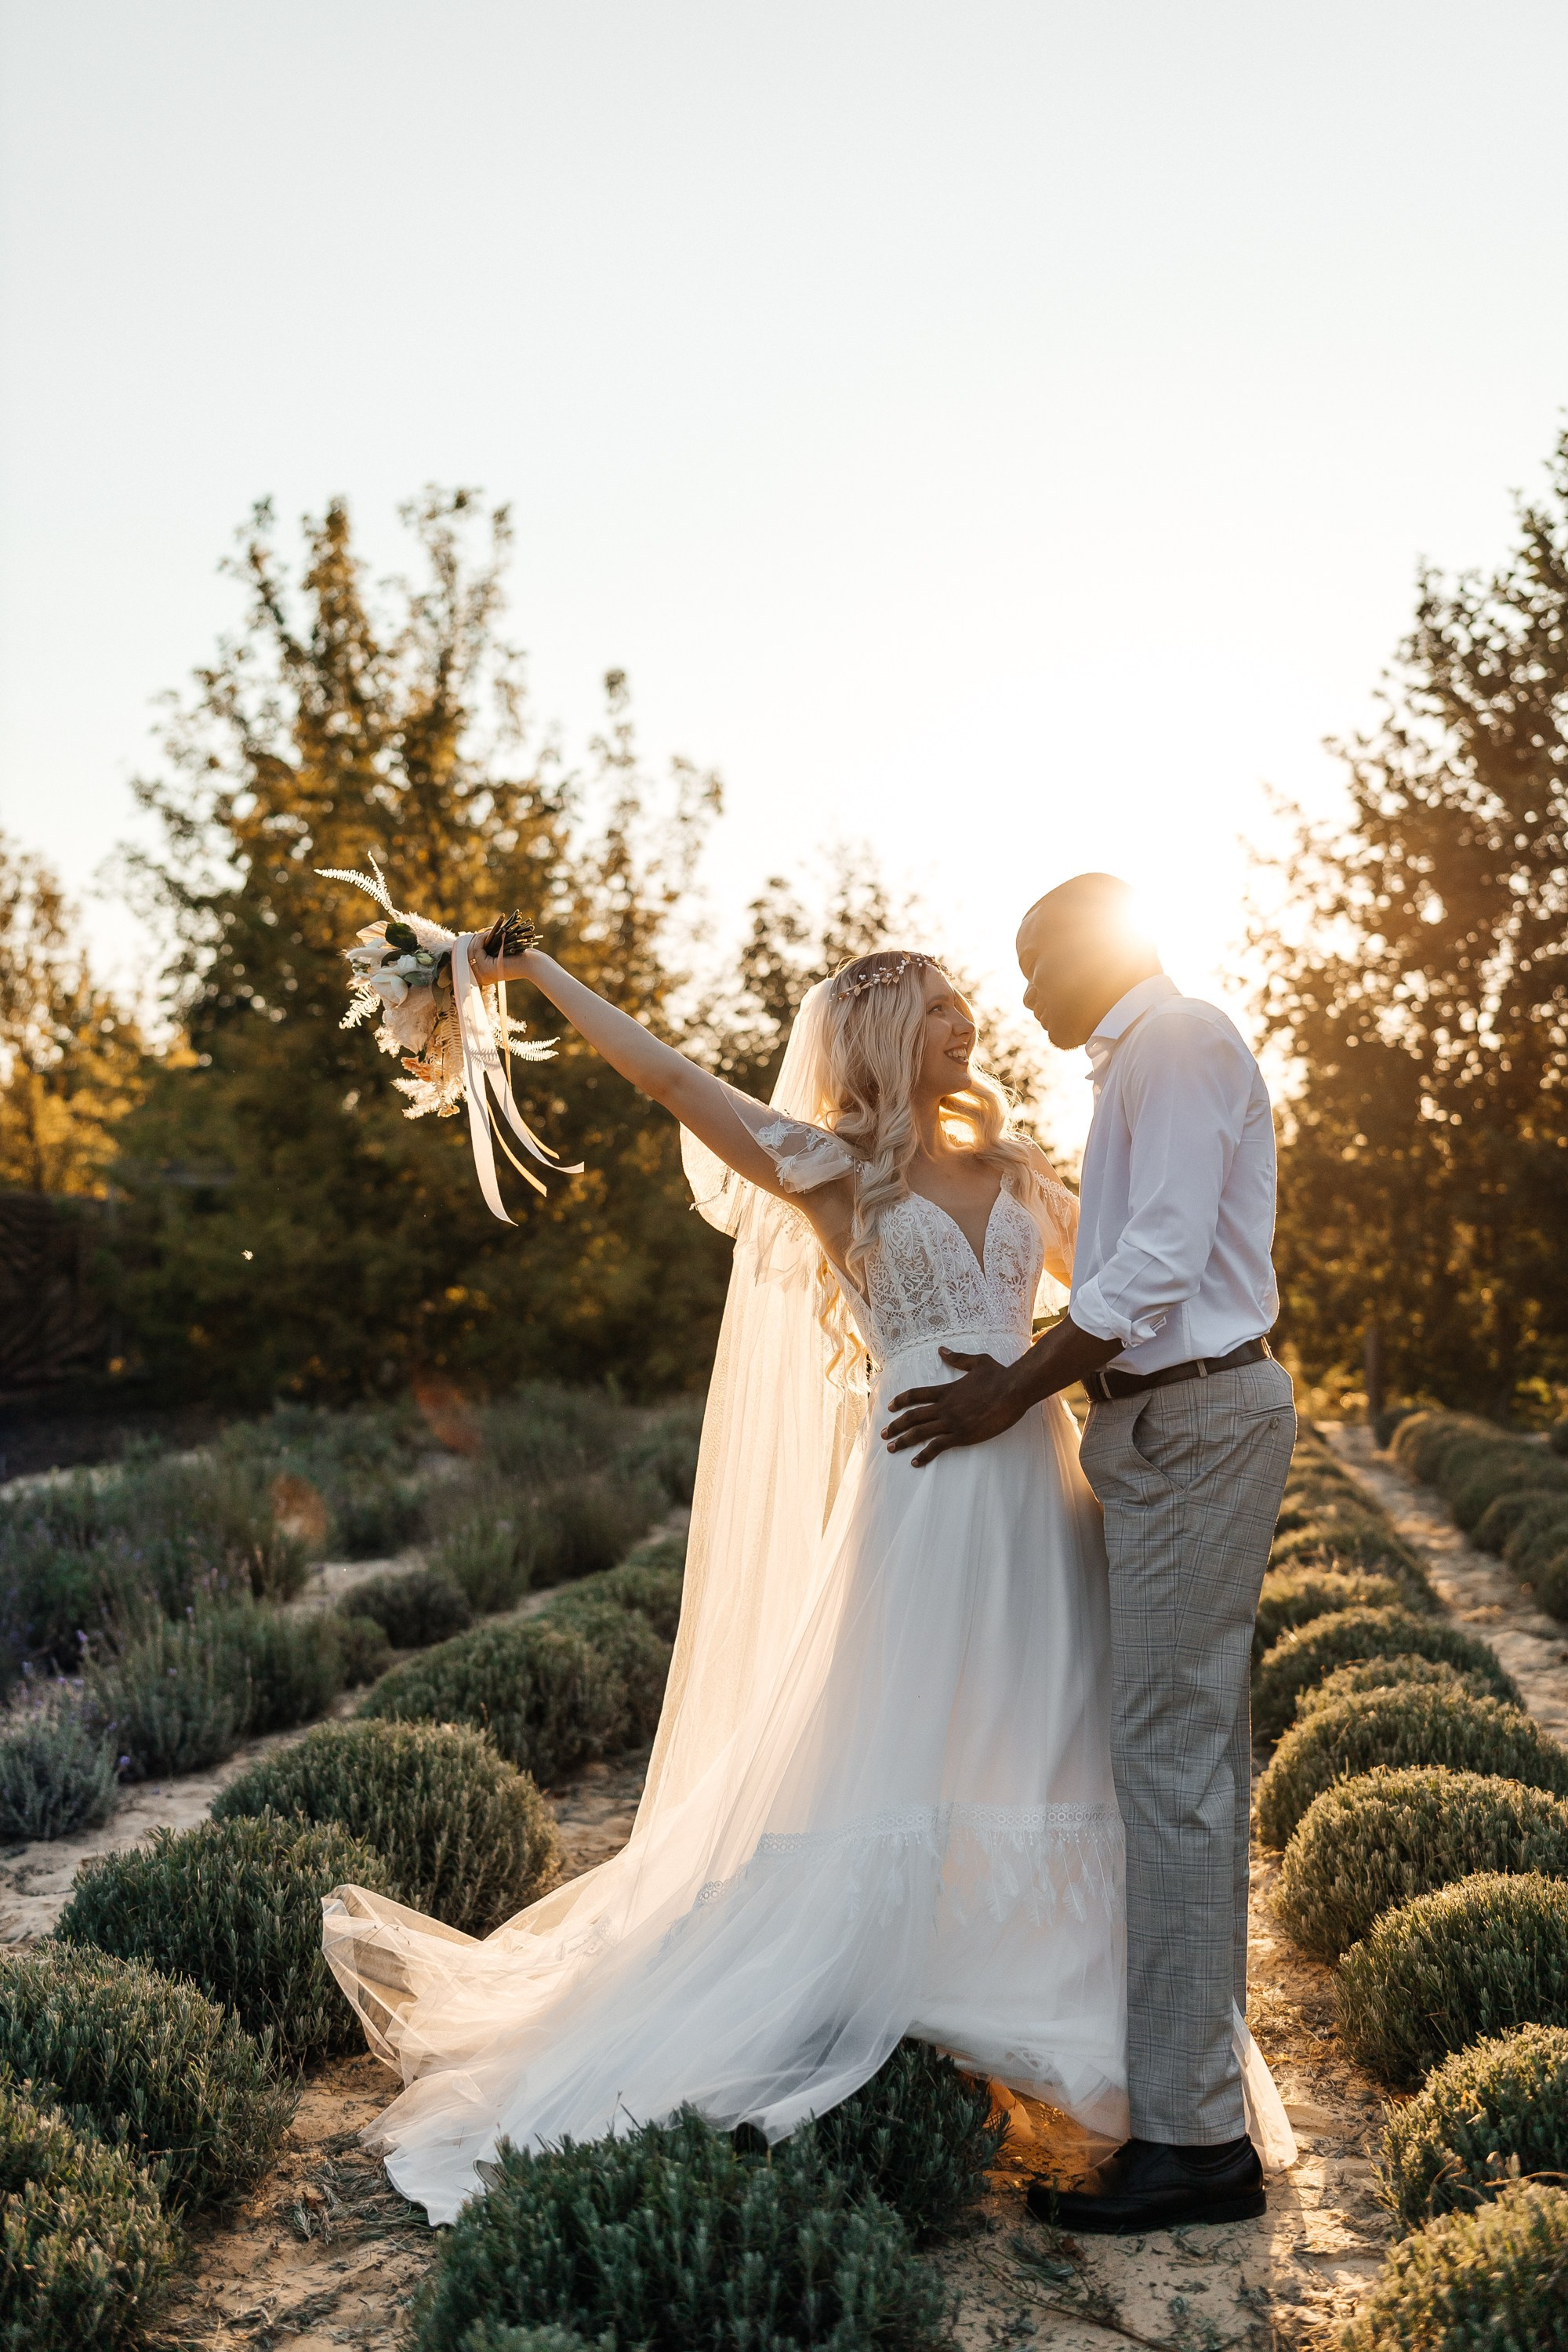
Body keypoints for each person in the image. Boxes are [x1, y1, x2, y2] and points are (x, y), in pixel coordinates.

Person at [322, 929, 1292, 2227]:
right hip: (926, 1502)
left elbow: (1131, 1278)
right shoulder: (836, 1180)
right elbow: (675, 1084)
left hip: (1038, 1495)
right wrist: (540, 978)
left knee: (1057, 1750)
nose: (972, 1027)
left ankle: (1087, 2071)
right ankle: (902, 2028)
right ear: (886, 1035)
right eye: (946, 1012)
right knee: (901, 1758)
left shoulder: (1019, 1172)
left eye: (964, 1009)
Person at [882, 873, 1297, 2234]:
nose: (1018, 993)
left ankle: (1193, 2145)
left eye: (1029, 961)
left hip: (1192, 1421)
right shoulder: (1141, 1064)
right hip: (1161, 1429)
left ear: (1090, 946)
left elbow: (1159, 1259)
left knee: (1171, 1770)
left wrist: (1013, 1386)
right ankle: (1181, 2111)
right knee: (1168, 1762)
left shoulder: (1174, 1043)